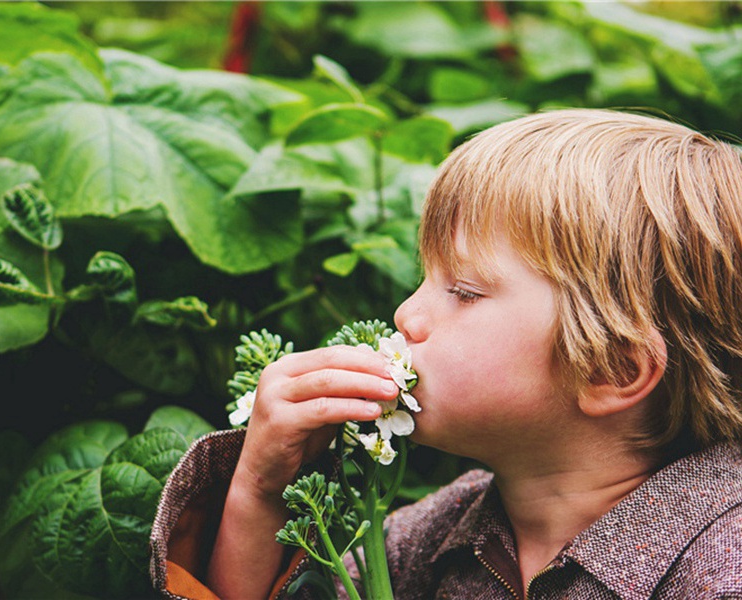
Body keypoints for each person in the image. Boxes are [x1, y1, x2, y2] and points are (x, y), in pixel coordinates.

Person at [150, 109, 742, 599]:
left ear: (611, 367)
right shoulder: (431, 539)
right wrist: (260, 492)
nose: (407, 314)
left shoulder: (721, 565)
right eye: (424, 279)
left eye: (463, 291)